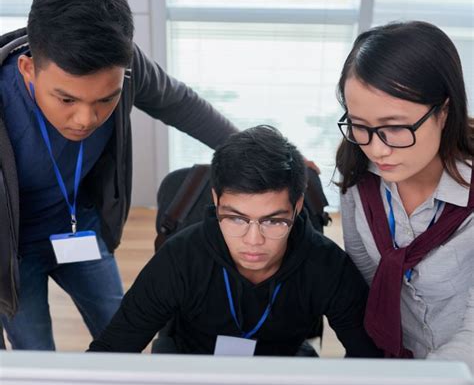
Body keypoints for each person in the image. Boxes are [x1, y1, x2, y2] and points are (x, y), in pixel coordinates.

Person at [0, 0, 238, 350]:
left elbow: (179, 103)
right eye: (67, 99)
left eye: (105, 99)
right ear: (29, 69)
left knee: (124, 336)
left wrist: (254, 149)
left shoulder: (123, 66)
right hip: (12, 252)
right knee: (36, 353)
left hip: (81, 228)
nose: (86, 119)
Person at [88, 125, 381, 357]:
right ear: (216, 201)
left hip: (279, 371)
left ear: (298, 206)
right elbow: (112, 349)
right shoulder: (180, 258)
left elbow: (369, 361)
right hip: (193, 366)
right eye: (236, 219)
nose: (253, 241)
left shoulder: (328, 266)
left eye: (273, 221)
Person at [335, 21, 473, 369]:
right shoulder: (358, 176)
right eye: (360, 126)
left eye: (395, 127)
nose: (377, 150)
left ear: (444, 111)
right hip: (395, 363)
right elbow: (367, 278)